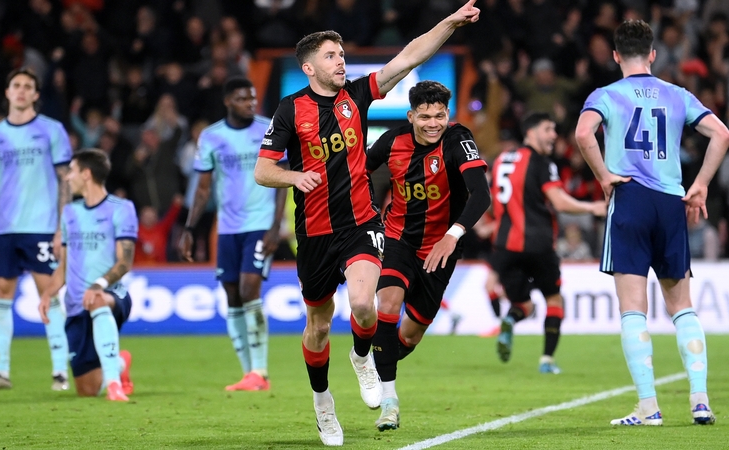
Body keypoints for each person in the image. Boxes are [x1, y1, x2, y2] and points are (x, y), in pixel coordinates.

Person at [254, 2, 481, 445]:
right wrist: (293, 175)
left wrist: (450, 23)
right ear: (309, 67)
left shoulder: (356, 96)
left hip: (361, 224)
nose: (341, 61)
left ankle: (362, 359)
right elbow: (263, 171)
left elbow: (410, 56)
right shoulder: (289, 109)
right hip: (315, 230)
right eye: (331, 56)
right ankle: (323, 404)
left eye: (341, 54)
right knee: (318, 325)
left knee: (364, 305)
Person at [575, 19, 729, 426]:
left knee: (633, 310)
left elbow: (583, 133)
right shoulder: (677, 94)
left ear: (614, 55)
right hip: (670, 201)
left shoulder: (606, 94)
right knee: (683, 308)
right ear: (653, 55)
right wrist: (699, 187)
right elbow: (722, 134)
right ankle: (700, 401)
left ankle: (649, 407)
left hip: (630, 200)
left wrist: (604, 176)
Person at [365, 80, 490, 431]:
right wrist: (366, 216)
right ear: (411, 116)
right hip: (397, 239)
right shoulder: (392, 141)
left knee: (410, 335)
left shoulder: (457, 139)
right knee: (387, 305)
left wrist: (452, 235)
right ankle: (389, 402)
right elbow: (358, 171)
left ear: (447, 114)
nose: (433, 123)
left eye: (439, 115)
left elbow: (481, 194)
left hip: (441, 248)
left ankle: (375, 359)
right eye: (425, 117)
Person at [179, 77, 287, 392]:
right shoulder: (211, 137)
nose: (249, 104)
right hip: (228, 227)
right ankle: (249, 374)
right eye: (242, 99)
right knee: (233, 296)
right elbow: (202, 188)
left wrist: (275, 226)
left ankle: (261, 371)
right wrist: (189, 228)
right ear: (228, 101)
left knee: (249, 287)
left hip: (260, 222)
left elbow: (282, 179)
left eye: (252, 98)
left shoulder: (268, 129)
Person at [0, 68, 72, 391]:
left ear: (35, 95)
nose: (20, 90)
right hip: (3, 228)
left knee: (50, 293)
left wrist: (63, 226)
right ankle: (0, 372)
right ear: (7, 92)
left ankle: (60, 371)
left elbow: (65, 182)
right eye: (15, 85)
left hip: (42, 227)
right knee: (1, 293)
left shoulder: (52, 131)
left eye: (27, 86)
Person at [490, 112, 606, 374]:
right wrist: (593, 207)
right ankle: (547, 361)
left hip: (505, 246)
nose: (554, 135)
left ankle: (509, 320)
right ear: (530, 133)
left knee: (524, 305)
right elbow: (560, 202)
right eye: (548, 129)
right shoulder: (541, 163)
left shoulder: (501, 160)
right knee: (554, 300)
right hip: (538, 243)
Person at [39, 149, 137, 401]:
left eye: (71, 171)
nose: (67, 177)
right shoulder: (70, 213)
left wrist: (98, 285)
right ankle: (120, 364)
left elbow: (124, 262)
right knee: (87, 390)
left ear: (86, 173)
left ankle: (114, 386)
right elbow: (64, 265)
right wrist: (48, 293)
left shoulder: (121, 208)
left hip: (112, 293)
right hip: (75, 304)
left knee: (97, 300)